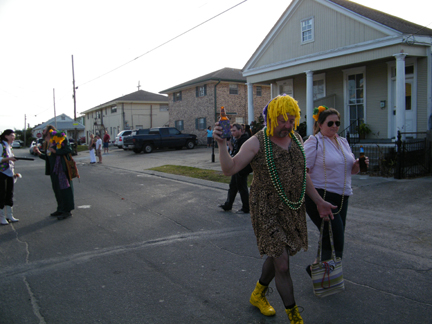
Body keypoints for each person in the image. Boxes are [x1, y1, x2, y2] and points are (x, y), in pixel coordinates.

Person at [213, 95, 335, 323]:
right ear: (270, 118)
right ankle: (294, 316)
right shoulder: (256, 142)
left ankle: (258, 294)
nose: (288, 125)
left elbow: (302, 175)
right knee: (282, 261)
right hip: (266, 209)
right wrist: (222, 144)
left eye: (292, 120)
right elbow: (229, 169)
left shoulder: (297, 139)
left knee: (277, 255)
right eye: (282, 120)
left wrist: (319, 201)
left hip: (291, 207)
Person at [303, 106, 369, 275]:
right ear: (320, 124)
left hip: (342, 197)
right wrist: (317, 200)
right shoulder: (314, 142)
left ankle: (317, 269)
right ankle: (326, 274)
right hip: (321, 196)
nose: (334, 126)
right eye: (330, 123)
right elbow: (303, 171)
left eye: (337, 123)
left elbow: (350, 171)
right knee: (335, 237)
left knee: (330, 235)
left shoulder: (342, 142)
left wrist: (357, 166)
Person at [33, 125, 75, 220]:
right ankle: (60, 209)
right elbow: (48, 157)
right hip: (53, 170)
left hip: (62, 169)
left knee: (65, 190)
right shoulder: (47, 142)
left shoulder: (60, 137)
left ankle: (67, 211)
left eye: (44, 130)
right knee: (57, 190)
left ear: (49, 130)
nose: (42, 131)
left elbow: (68, 149)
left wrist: (56, 151)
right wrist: (39, 153)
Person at [218, 124, 250, 214]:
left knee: (242, 187)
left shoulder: (245, 140)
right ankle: (228, 205)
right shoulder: (237, 140)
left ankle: (246, 208)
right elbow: (234, 153)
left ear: (240, 130)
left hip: (242, 168)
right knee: (233, 186)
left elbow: (243, 156)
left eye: (234, 131)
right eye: (231, 131)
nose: (232, 133)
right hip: (236, 167)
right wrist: (229, 145)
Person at [0, 129, 19, 225]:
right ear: (6, 136)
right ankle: (2, 217)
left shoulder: (9, 146)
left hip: (9, 172)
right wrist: (8, 159)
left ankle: (10, 215)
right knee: (2, 194)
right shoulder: (1, 145)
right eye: (12, 135)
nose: (13, 137)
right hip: (2, 173)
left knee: (10, 194)